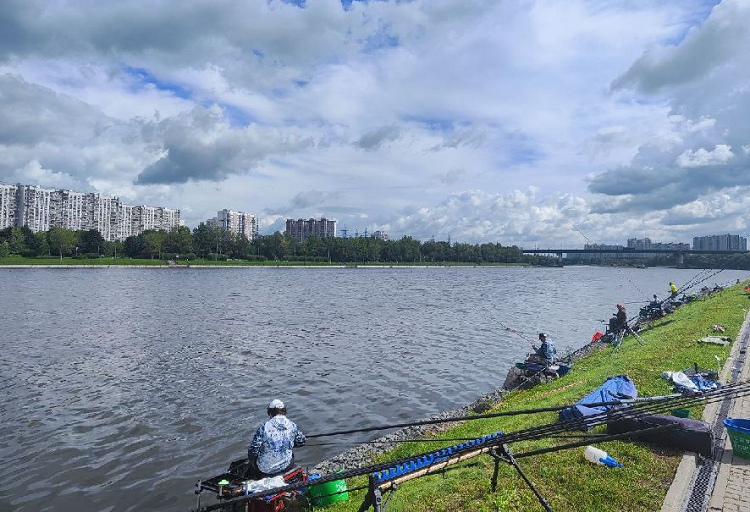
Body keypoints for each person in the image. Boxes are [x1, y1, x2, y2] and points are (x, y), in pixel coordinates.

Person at [247, 399, 306, 479]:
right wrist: (289, 444)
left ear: (270, 412)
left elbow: (253, 449)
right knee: (290, 454)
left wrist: (253, 463)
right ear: (284, 411)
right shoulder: (292, 425)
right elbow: (301, 441)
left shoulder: (264, 427)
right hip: (286, 465)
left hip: (265, 469)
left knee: (251, 462)